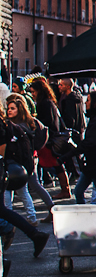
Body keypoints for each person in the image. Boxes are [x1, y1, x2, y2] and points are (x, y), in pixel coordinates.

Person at [5, 94, 53, 225]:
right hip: (29, 159)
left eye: (12, 108)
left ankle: (49, 209)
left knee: (29, 187)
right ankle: (39, 213)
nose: (9, 111)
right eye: (8, 108)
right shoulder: (26, 123)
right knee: (28, 188)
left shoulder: (20, 126)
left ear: (19, 110)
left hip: (25, 160)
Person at [30, 78, 70, 200]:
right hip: (50, 138)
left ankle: (65, 189)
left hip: (49, 139)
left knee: (55, 164)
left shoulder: (45, 104)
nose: (32, 94)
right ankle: (65, 188)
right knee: (55, 164)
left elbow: (49, 123)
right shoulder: (48, 103)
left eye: (34, 92)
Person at [70, 91, 96, 205]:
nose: (86, 103)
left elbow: (90, 142)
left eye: (88, 100)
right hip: (93, 163)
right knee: (79, 191)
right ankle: (85, 214)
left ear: (94, 103)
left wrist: (73, 152)